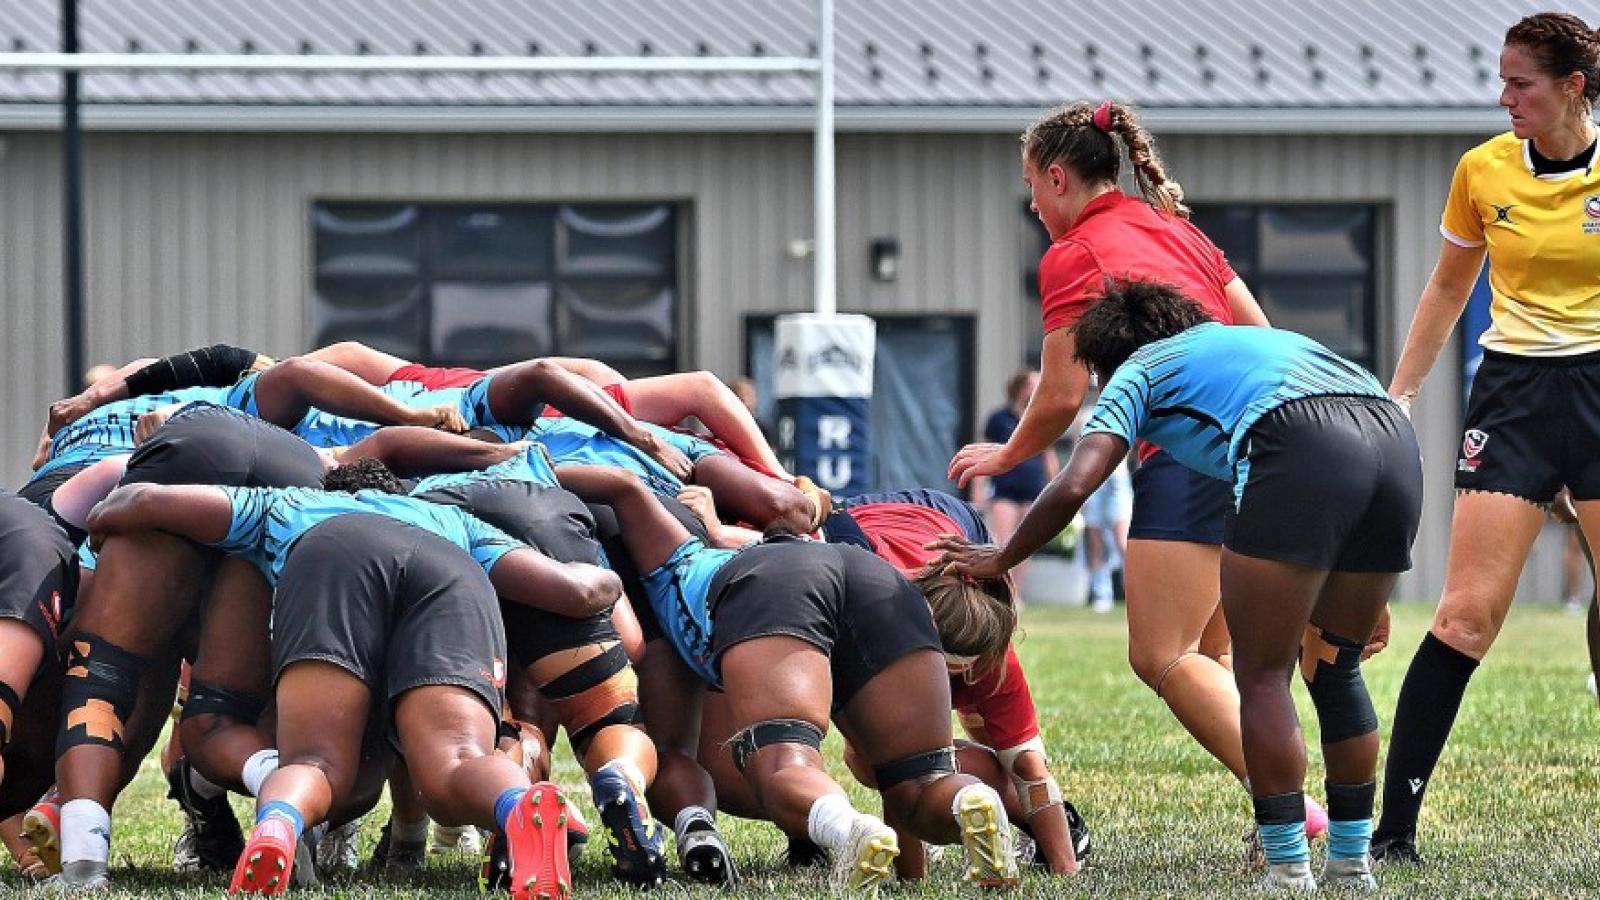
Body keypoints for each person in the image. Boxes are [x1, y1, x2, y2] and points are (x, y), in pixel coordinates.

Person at [933, 280, 1422, 890]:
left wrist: (1002, 554)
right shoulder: (1243, 342)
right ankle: (1352, 862)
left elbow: (1078, 482)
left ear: (1108, 360)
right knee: (1335, 664)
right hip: (1391, 435)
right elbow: (1345, 438)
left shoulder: (1139, 368)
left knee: (1262, 675)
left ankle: (1289, 868)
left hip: (1297, 438)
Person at [944, 99, 1316, 833]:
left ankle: (1294, 815)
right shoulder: (1178, 228)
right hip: (1271, 439)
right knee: (1215, 653)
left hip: (1194, 451)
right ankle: (1282, 816)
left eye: (1030, 184)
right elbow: (1260, 335)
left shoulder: (1071, 253)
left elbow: (1059, 395)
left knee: (1164, 656)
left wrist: (1008, 453)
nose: (1030, 202)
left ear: (1058, 178)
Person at [1373, 12, 1600, 863]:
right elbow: (1445, 290)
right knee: (1465, 616)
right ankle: (1394, 836)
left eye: (1521, 84)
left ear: (1574, 86)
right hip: (1511, 394)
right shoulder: (1482, 170)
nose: (1503, 98)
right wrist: (1399, 397)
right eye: (1500, 81)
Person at [975, 370, 1059, 596]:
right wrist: (978, 489)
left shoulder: (1039, 418)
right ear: (1022, 388)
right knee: (1004, 543)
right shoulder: (998, 418)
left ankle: (1016, 594)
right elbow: (983, 452)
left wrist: (1055, 487)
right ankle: (1001, 591)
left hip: (1032, 489)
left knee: (1024, 546)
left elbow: (1047, 455)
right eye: (1033, 384)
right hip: (1005, 489)